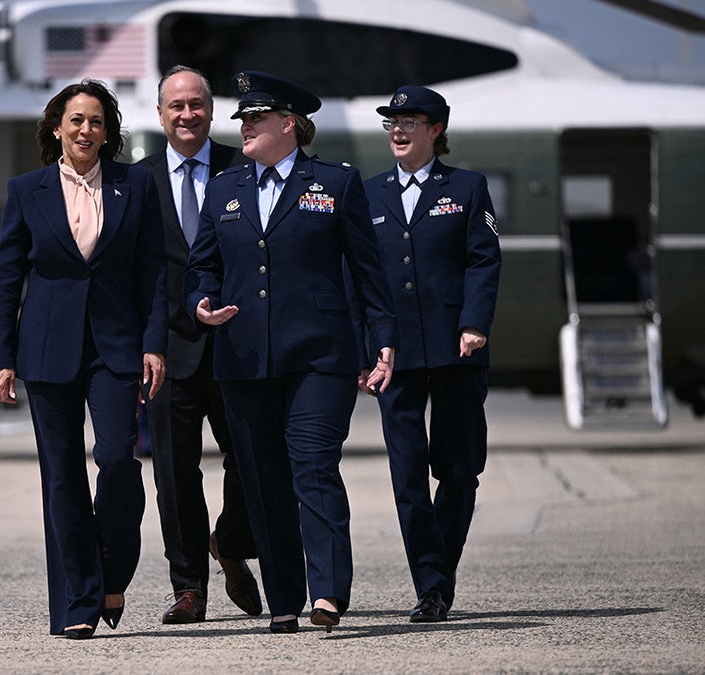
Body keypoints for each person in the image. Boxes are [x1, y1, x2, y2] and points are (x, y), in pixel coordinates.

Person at [185, 71, 397, 634]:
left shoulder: (336, 182)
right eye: (243, 119)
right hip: (245, 358)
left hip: (320, 356)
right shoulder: (225, 188)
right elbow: (202, 264)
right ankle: (284, 600)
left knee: (312, 463)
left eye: (255, 118)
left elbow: (368, 272)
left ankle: (327, 591)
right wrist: (201, 303)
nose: (244, 127)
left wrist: (383, 339)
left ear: (289, 124)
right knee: (263, 478)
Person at [0, 80, 168, 640]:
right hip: (45, 350)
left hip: (116, 347)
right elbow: (6, 277)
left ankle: (113, 572)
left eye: (95, 120)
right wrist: (2, 357)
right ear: (56, 129)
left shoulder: (134, 185)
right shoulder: (27, 190)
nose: (85, 129)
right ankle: (79, 602)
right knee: (61, 479)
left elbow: (155, 271)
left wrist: (154, 341)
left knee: (117, 459)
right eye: (75, 120)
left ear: (108, 130)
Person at [363, 86, 502, 622]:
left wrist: (473, 324)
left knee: (460, 469)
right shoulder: (370, 193)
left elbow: (484, 261)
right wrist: (365, 347)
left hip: (455, 349)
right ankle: (432, 586)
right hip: (392, 355)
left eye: (410, 121)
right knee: (407, 475)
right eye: (392, 122)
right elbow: (362, 278)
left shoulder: (467, 188)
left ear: (436, 130)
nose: (398, 130)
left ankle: (439, 570)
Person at [137, 65, 263, 624]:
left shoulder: (245, 168)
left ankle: (230, 544)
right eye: (175, 106)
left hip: (238, 345)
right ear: (160, 114)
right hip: (166, 351)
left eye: (196, 104)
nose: (187, 114)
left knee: (250, 460)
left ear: (211, 111)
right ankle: (188, 586)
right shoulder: (138, 182)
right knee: (174, 472)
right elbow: (131, 274)